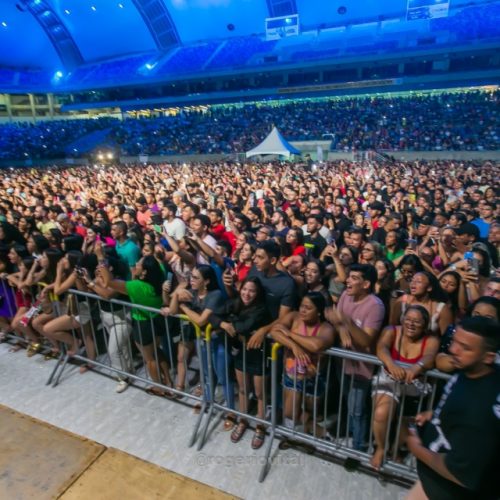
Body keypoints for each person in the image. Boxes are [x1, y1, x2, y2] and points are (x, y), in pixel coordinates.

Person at [406, 317, 500, 500]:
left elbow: (458, 472)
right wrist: (435, 416)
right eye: (454, 341)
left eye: (465, 347)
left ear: (488, 357)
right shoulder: (472, 369)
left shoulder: (480, 411)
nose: (452, 350)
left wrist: (415, 448)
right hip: (432, 483)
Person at [371, 305, 439, 469]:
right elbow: (381, 347)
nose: (411, 324)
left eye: (417, 321)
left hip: (415, 387)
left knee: (405, 425)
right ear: (402, 319)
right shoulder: (391, 330)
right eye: (408, 319)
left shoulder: (431, 339)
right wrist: (390, 364)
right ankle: (381, 447)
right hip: (388, 380)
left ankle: (396, 450)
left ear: (425, 324)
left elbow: (430, 356)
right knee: (381, 414)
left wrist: (418, 367)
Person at [326, 264, 386, 451]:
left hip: (361, 367)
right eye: (348, 277)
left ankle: (359, 447)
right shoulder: (345, 294)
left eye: (353, 278)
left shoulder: (375, 306)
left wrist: (346, 323)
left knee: (358, 409)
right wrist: (342, 328)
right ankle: (349, 436)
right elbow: (337, 320)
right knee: (348, 402)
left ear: (366, 283)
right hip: (342, 362)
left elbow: (366, 340)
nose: (348, 281)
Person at [100, 256, 173, 396]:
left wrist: (101, 258)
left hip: (143, 324)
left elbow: (109, 282)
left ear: (145, 272)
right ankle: (168, 381)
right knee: (157, 351)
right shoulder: (158, 275)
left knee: (149, 359)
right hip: (157, 320)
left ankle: (159, 387)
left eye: (139, 264)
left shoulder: (137, 287)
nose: (135, 264)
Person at [213, 277, 271, 448]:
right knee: (244, 390)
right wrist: (223, 323)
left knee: (260, 394)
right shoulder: (235, 302)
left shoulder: (261, 309)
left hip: (258, 354)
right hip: (241, 353)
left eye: (252, 290)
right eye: (245, 289)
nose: (247, 293)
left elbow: (244, 327)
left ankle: (260, 426)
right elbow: (214, 315)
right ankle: (243, 419)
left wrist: (231, 322)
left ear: (257, 293)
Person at [270, 292, 335, 433]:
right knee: (290, 413)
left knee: (311, 411)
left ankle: (308, 436)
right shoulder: (294, 317)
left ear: (318, 312)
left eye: (308, 308)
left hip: (314, 379)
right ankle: (316, 431)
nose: (303, 310)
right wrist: (294, 346)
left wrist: (290, 334)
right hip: (292, 376)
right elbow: (275, 331)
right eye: (301, 306)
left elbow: (316, 345)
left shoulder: (326, 328)